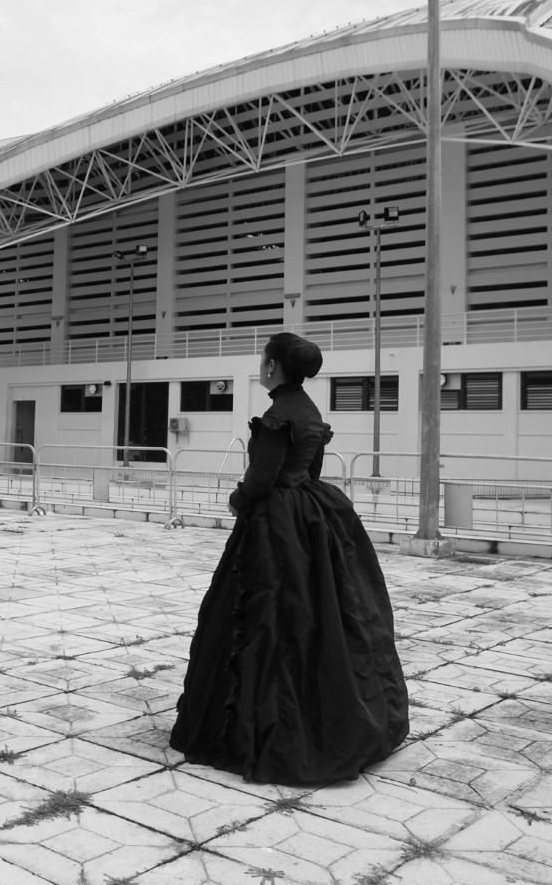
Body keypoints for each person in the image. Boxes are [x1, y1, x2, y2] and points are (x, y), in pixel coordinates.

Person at [169, 332, 408, 785]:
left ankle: (272, 728)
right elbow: (309, 469)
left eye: (263, 360)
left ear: (274, 366)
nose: (261, 367)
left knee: (266, 617)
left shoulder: (277, 416)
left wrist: (239, 499)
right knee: (326, 614)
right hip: (312, 515)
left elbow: (264, 476)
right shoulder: (310, 411)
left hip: (276, 523)